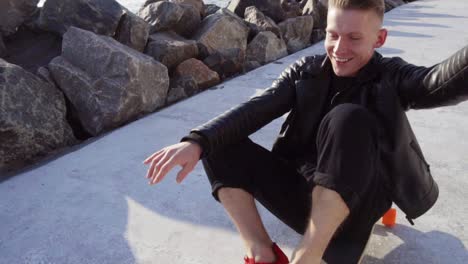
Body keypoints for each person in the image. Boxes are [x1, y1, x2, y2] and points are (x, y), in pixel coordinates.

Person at [143, 0, 468, 263]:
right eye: (332, 35)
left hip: (352, 210)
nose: (339, 48)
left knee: (348, 118)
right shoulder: (306, 71)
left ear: (379, 39)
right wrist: (198, 141)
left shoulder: (391, 76)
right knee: (220, 142)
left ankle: (308, 256)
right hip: (304, 195)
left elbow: (435, 83)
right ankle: (262, 252)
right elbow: (257, 108)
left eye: (354, 38)